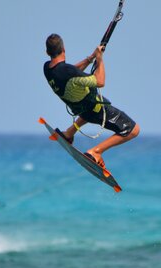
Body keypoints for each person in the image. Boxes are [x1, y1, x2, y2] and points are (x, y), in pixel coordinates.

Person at [43, 33, 140, 168]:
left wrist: (90, 58)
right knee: (133, 130)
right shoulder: (68, 71)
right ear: (64, 49)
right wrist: (99, 59)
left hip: (81, 110)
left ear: (47, 52)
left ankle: (69, 133)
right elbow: (100, 82)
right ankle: (96, 152)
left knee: (84, 100)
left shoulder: (47, 68)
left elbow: (70, 72)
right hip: (96, 111)